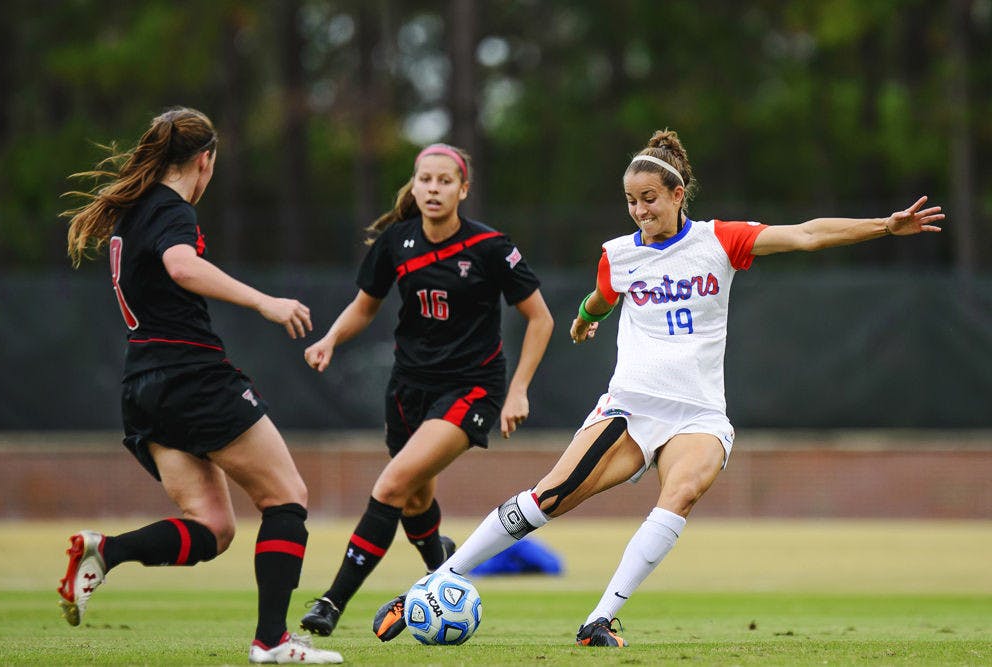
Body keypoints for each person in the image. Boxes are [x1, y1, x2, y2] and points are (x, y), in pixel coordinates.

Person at [373, 128, 944, 647]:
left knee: (682, 493)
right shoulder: (618, 256)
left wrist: (883, 226)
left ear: (677, 195)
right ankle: (436, 579)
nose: (639, 210)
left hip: (698, 412)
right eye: (630, 201)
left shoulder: (720, 241)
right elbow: (599, 298)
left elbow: (805, 236)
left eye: (649, 198)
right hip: (631, 407)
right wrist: (582, 317)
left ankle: (598, 619)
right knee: (549, 498)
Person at [58, 107, 342, 665]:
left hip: (143, 385)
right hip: (192, 376)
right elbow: (182, 267)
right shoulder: (170, 209)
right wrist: (265, 300)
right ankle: (273, 642)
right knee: (287, 497)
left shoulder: (133, 213)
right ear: (204, 160)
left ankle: (105, 552)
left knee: (212, 528)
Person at [299, 143, 554, 639]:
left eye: (444, 181)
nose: (433, 189)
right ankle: (442, 566)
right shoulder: (396, 242)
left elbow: (540, 318)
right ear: (413, 186)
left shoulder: (491, 248)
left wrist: (518, 390)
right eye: (425, 180)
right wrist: (330, 337)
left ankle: (331, 601)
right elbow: (364, 306)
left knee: (392, 485)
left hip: (471, 390)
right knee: (414, 500)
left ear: (463, 189)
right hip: (407, 389)